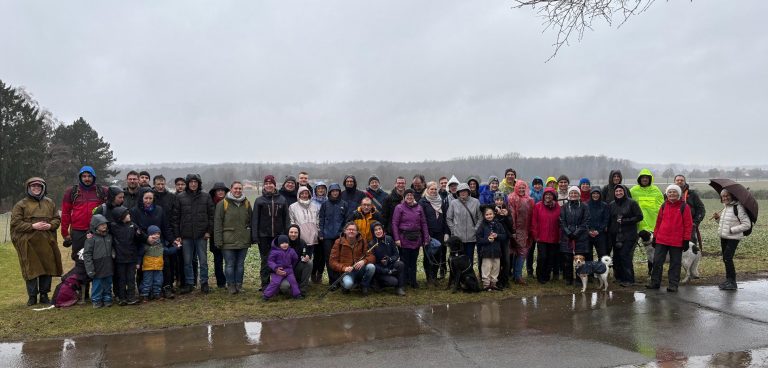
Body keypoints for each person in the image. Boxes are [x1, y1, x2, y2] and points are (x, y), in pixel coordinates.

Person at [11, 177, 62, 306]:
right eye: (33, 186)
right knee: (32, 269)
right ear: (28, 188)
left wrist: (50, 226)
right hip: (28, 242)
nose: (36, 188)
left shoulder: (50, 203)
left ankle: (44, 295)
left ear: (43, 188)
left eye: (39, 186)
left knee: (47, 268)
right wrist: (33, 226)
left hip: (46, 241)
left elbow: (56, 219)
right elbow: (16, 223)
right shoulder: (21, 204)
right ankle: (32, 297)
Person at [646, 185, 692, 292]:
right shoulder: (663, 206)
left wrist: (686, 239)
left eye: (674, 192)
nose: (672, 194)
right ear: (667, 194)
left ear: (679, 194)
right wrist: (655, 237)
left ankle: (673, 284)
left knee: (675, 264)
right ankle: (655, 282)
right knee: (657, 262)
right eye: (670, 192)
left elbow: (688, 225)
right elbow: (658, 223)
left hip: (677, 241)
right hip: (662, 239)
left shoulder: (684, 207)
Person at [130, 189, 176, 298]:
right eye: (146, 198)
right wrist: (146, 239)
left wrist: (172, 240)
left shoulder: (159, 210)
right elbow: (134, 228)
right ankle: (145, 291)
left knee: (165, 264)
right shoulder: (135, 211)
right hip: (142, 242)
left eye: (150, 198)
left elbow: (165, 227)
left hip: (159, 243)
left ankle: (165, 287)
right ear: (141, 198)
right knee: (143, 268)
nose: (148, 200)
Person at [175, 174, 214, 294]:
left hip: (201, 235)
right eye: (191, 182)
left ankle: (204, 283)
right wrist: (178, 234)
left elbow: (212, 216)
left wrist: (208, 231)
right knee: (187, 262)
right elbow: (176, 217)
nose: (193, 184)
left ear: (199, 183)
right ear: (188, 183)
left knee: (203, 261)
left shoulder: (206, 196)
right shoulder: (180, 197)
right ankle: (189, 283)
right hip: (186, 236)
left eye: (195, 182)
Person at [61, 166, 107, 264]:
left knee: (97, 260)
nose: (87, 179)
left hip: (97, 231)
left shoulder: (102, 191)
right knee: (79, 259)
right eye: (84, 176)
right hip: (78, 231)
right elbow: (65, 213)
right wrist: (64, 232)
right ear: (80, 177)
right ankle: (79, 279)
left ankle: (95, 279)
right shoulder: (71, 192)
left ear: (94, 177)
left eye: (89, 176)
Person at [213, 181, 252, 294]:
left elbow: (250, 220)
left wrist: (250, 236)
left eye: (240, 188)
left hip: (243, 240)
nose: (238, 190)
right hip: (228, 240)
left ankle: (239, 285)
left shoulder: (246, 203)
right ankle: (231, 285)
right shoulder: (222, 204)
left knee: (240, 264)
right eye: (235, 188)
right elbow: (218, 223)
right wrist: (218, 240)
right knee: (230, 264)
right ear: (231, 189)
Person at [251, 175, 289, 291]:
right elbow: (255, 219)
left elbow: (286, 219)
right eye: (266, 184)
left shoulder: (282, 200)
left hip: (278, 237)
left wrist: (286, 236)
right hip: (264, 236)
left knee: (279, 260)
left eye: (270, 183)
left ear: (274, 185)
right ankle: (265, 284)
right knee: (265, 261)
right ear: (264, 186)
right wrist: (255, 235)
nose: (268, 185)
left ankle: (278, 284)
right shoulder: (259, 200)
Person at [712, 189, 752, 290]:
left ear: (732, 196)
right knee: (726, 259)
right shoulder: (726, 207)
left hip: (733, 238)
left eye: (727, 196)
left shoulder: (738, 207)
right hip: (724, 237)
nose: (725, 198)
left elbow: (747, 224)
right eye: (723, 196)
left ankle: (732, 282)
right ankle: (728, 280)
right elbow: (724, 223)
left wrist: (732, 230)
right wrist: (717, 218)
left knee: (728, 258)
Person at [392, 189, 430, 288]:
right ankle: (403, 282)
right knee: (404, 262)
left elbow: (424, 223)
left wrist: (426, 238)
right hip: (404, 238)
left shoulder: (419, 208)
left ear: (414, 197)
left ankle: (413, 281)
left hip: (416, 238)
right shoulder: (399, 208)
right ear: (404, 197)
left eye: (411, 195)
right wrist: (396, 238)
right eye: (407, 195)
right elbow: (395, 223)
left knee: (414, 261)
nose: (409, 197)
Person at [608, 185, 643, 287]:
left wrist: (625, 221)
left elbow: (639, 216)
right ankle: (619, 277)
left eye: (620, 191)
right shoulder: (612, 204)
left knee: (625, 255)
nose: (618, 193)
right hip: (615, 235)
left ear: (625, 192)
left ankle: (629, 279)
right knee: (617, 257)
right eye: (616, 191)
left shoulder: (632, 203)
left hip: (628, 234)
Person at [329, 222, 376, 295]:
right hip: (346, 272)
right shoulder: (338, 242)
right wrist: (344, 268)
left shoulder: (363, 241)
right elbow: (332, 262)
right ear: (345, 231)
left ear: (357, 232)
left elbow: (372, 256)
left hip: (359, 270)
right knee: (348, 284)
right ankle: (345, 285)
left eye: (353, 230)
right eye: (349, 229)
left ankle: (364, 286)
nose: (351, 231)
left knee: (371, 267)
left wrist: (364, 261)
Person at [152, 175, 180, 294]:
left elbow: (175, 216)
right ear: (154, 184)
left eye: (162, 184)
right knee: (155, 261)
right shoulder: (150, 196)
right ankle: (154, 287)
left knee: (169, 261)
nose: (160, 186)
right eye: (158, 184)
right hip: (154, 233)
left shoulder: (171, 197)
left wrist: (175, 235)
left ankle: (168, 285)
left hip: (169, 232)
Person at [317, 183, 348, 284]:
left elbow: (346, 220)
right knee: (329, 258)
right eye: (333, 191)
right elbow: (321, 220)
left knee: (340, 257)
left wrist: (344, 233)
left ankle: (340, 280)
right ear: (330, 192)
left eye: (337, 191)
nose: (335, 193)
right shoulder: (325, 204)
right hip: (327, 236)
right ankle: (332, 280)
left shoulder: (344, 204)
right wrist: (321, 233)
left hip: (340, 236)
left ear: (339, 192)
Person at [139, 225, 180, 301]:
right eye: (154, 234)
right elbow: (140, 254)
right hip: (148, 268)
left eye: (158, 234)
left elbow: (168, 251)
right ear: (150, 235)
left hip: (158, 267)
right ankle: (145, 295)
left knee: (158, 281)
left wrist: (176, 248)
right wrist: (138, 263)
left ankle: (157, 294)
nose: (157, 235)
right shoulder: (146, 245)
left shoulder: (161, 245)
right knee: (147, 281)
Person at [446, 183, 481, 272]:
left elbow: (480, 218)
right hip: (458, 239)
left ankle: (468, 277)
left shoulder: (476, 202)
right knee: (458, 260)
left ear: (468, 192)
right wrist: (453, 230)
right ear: (457, 193)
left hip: (471, 237)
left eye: (464, 191)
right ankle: (458, 279)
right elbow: (449, 218)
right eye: (460, 191)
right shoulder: (454, 203)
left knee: (469, 258)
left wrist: (475, 229)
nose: (462, 193)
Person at [419, 181, 449, 285]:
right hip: (428, 234)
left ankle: (434, 277)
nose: (434, 191)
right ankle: (429, 278)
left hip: (440, 233)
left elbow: (445, 218)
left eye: (435, 189)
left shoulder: (441, 201)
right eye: (431, 189)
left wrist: (446, 232)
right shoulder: (423, 202)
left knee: (438, 255)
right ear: (427, 190)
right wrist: (426, 234)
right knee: (428, 256)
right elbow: (421, 220)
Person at [559, 187, 591, 286]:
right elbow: (561, 221)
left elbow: (586, 221)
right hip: (567, 236)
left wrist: (577, 233)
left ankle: (579, 279)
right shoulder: (564, 207)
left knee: (580, 259)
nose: (573, 195)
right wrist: (568, 232)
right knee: (568, 259)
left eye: (575, 193)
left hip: (581, 237)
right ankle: (568, 279)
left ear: (579, 194)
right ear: (569, 194)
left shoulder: (584, 206)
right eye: (571, 193)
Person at [109, 206, 140, 306]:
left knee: (131, 278)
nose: (129, 215)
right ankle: (121, 297)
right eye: (127, 214)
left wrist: (146, 237)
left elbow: (140, 235)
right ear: (120, 217)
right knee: (121, 279)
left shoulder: (133, 225)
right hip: (120, 258)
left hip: (131, 257)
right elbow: (102, 229)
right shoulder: (113, 226)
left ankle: (131, 297)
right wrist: (90, 233)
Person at [83, 214, 113, 308]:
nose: (104, 226)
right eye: (101, 224)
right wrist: (90, 269)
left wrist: (113, 253)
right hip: (97, 265)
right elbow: (87, 254)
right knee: (97, 284)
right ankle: (96, 300)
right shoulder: (91, 239)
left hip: (108, 264)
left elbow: (112, 247)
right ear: (96, 226)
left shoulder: (109, 236)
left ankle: (107, 298)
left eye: (105, 224)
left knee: (108, 283)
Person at [532, 188, 560, 284]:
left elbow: (560, 222)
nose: (548, 196)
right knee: (542, 257)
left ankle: (547, 276)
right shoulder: (538, 206)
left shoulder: (558, 207)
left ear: (554, 196)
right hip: (541, 237)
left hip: (554, 237)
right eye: (546, 194)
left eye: (550, 194)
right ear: (543, 196)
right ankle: (540, 276)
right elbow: (534, 222)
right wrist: (536, 236)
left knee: (550, 258)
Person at [508, 180, 534, 284]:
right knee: (521, 252)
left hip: (526, 229)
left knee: (520, 252)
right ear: (516, 188)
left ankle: (516, 275)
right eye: (520, 187)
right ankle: (517, 276)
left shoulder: (529, 199)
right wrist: (513, 230)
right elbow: (512, 215)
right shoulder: (512, 198)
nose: (522, 189)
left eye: (523, 187)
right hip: (517, 230)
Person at [369, 221, 406, 296]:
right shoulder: (371, 244)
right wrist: (386, 271)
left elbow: (396, 254)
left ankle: (400, 288)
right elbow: (372, 263)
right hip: (379, 270)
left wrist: (389, 259)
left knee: (400, 264)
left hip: (390, 264)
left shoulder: (389, 239)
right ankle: (378, 283)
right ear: (373, 232)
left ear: (383, 229)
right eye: (375, 230)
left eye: (379, 229)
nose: (378, 231)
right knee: (393, 281)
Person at [476, 207, 508, 291]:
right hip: (486, 252)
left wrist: (497, 235)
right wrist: (487, 240)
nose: (489, 216)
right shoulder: (482, 226)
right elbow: (478, 239)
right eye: (487, 214)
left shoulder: (499, 225)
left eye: (490, 214)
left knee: (495, 268)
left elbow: (504, 236)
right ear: (484, 216)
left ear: (494, 214)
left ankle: (493, 284)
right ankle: (486, 285)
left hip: (497, 251)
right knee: (486, 268)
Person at [263, 235, 302, 301]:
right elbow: (270, 261)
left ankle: (297, 295)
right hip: (278, 270)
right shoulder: (274, 252)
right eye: (282, 243)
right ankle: (266, 295)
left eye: (286, 243)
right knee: (275, 282)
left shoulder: (291, 250)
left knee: (293, 282)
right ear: (279, 244)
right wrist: (275, 267)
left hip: (289, 270)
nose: (285, 245)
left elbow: (295, 259)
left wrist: (291, 264)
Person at [630, 168, 664, 236]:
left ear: (650, 179)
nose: (645, 179)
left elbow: (662, 207)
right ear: (639, 179)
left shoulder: (656, 190)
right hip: (638, 228)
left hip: (654, 227)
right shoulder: (633, 191)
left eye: (647, 177)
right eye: (643, 177)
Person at [674, 175, 706, 247]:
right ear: (674, 182)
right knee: (675, 247)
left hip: (689, 226)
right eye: (677, 180)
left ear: (685, 182)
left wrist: (695, 222)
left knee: (690, 247)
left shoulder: (692, 194)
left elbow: (701, 209)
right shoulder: (669, 194)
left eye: (681, 180)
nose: (679, 181)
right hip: (674, 225)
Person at [208, 182, 229, 289]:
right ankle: (220, 282)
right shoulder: (211, 203)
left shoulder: (229, 202)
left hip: (228, 235)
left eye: (222, 190)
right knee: (218, 260)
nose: (220, 192)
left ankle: (230, 280)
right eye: (218, 190)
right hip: (215, 236)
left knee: (229, 260)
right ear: (215, 192)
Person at [281, 225, 312, 296]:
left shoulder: (302, 243)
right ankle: (294, 288)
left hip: (296, 270)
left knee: (309, 263)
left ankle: (302, 289)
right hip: (285, 273)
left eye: (295, 232)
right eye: (291, 232)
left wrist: (307, 257)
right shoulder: (282, 244)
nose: (293, 234)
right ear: (287, 233)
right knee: (285, 287)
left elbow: (306, 254)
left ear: (299, 234)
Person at [491, 192, 513, 288]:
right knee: (497, 260)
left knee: (506, 260)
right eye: (497, 200)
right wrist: (494, 210)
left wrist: (506, 216)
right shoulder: (492, 210)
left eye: (501, 200)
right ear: (494, 200)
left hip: (505, 239)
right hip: (496, 239)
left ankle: (505, 279)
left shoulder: (507, 210)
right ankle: (497, 280)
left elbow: (511, 226)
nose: (499, 202)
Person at [587, 186, 611, 258]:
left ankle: (601, 269)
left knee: (602, 255)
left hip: (600, 234)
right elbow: (584, 219)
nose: (595, 195)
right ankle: (589, 269)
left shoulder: (604, 205)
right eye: (593, 193)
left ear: (600, 194)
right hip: (588, 234)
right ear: (591, 194)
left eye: (597, 193)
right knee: (588, 255)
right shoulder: (586, 205)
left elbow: (606, 220)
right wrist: (588, 231)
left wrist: (598, 231)